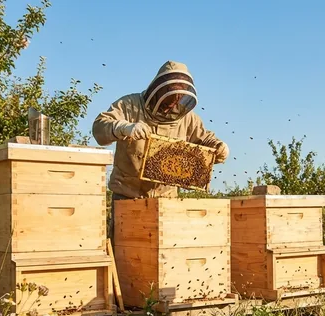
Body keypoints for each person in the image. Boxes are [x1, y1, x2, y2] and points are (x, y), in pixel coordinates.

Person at [92, 60, 229, 239]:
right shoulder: (129, 105)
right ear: (158, 91)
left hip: (166, 201)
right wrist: (122, 127)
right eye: (168, 100)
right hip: (127, 197)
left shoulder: (188, 119)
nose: (172, 106)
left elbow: (207, 140)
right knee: (126, 255)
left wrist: (220, 147)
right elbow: (99, 128)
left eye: (177, 101)